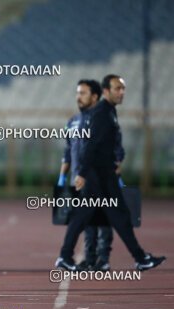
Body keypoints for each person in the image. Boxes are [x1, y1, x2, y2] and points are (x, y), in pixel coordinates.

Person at [55, 74, 165, 272]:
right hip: (97, 176)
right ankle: (69, 256)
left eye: (123, 89)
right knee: (94, 216)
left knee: (114, 216)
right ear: (105, 91)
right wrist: (81, 173)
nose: (121, 92)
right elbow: (90, 144)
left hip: (103, 174)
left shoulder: (108, 112)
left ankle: (138, 258)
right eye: (117, 88)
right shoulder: (102, 113)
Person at [57, 79, 124, 271]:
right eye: (77, 93)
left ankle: (103, 258)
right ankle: (89, 257)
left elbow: (117, 150)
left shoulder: (103, 119)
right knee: (86, 220)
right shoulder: (72, 122)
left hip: (100, 178)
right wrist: (62, 177)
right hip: (79, 179)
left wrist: (116, 173)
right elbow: (68, 151)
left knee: (103, 218)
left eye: (83, 93)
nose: (78, 97)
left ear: (95, 97)